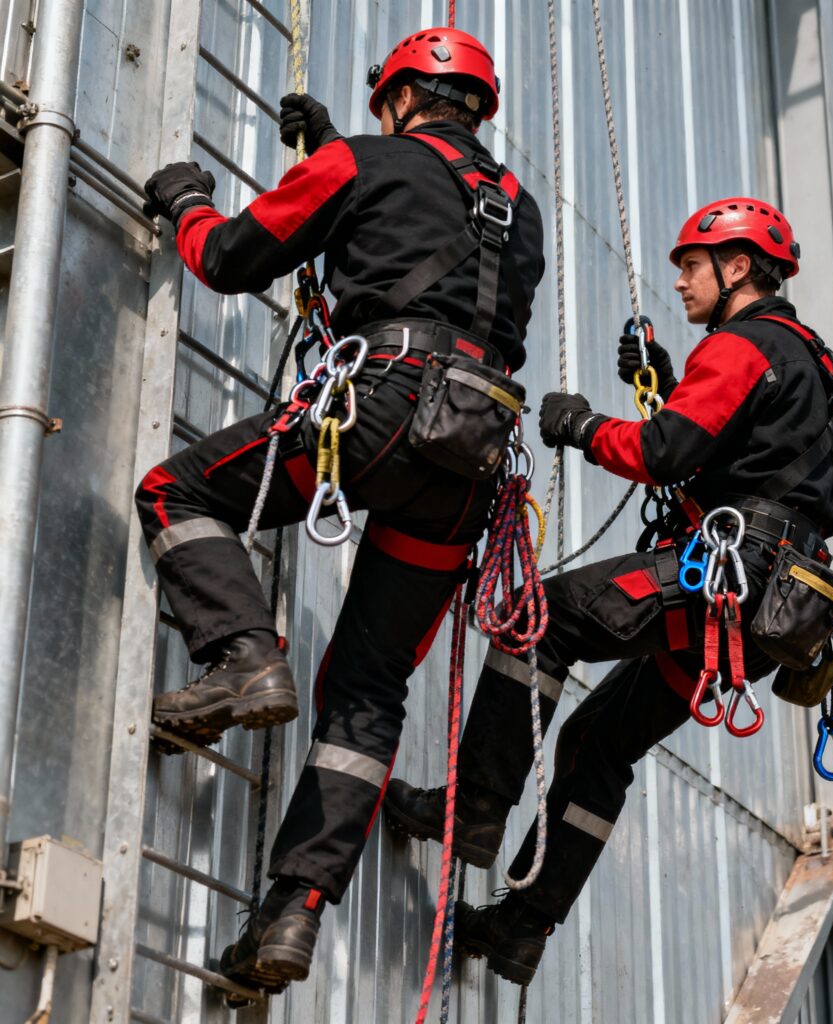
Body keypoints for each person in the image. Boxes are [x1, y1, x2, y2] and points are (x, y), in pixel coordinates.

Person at [136, 26, 545, 992]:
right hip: (470, 456)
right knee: (367, 692)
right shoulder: (519, 209)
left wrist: (190, 203)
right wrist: (334, 162)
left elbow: (234, 259)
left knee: (176, 487)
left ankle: (240, 658)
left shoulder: (364, 160)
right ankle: (293, 914)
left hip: (384, 405)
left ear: (402, 97)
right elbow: (427, 249)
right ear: (476, 109)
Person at [384, 197, 833, 986]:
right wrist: (667, 379)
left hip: (725, 577)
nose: (678, 281)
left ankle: (467, 811)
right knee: (602, 741)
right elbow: (747, 463)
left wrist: (577, 425)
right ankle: (520, 930)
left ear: (738, 267)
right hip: (769, 606)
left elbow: (664, 451)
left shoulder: (744, 347)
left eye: (691, 264)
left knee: (541, 619)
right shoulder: (809, 361)